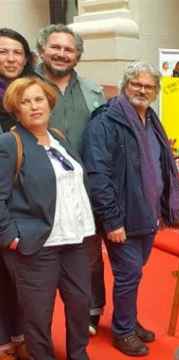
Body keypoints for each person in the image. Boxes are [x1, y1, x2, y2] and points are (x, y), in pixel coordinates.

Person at [81, 62, 179, 357]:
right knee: (128, 274)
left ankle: (127, 320)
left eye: (149, 86)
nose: (142, 90)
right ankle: (123, 332)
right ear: (126, 85)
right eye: (136, 84)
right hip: (122, 218)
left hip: (147, 214)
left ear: (156, 91)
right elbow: (98, 175)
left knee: (134, 273)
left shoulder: (151, 118)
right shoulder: (105, 122)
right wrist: (112, 221)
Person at [0, 76, 96, 360]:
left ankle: (79, 355)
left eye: (38, 99)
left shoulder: (60, 138)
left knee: (80, 305)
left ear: (49, 103)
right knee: (37, 315)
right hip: (36, 245)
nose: (33, 106)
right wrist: (10, 237)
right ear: (16, 110)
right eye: (25, 102)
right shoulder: (9, 143)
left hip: (74, 241)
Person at [35, 23, 107, 337]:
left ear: (77, 55)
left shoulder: (93, 91)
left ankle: (92, 312)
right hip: (38, 193)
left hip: (85, 190)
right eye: (56, 47)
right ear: (42, 50)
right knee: (40, 262)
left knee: (89, 257)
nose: (62, 54)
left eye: (69, 49)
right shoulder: (26, 87)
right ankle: (34, 327)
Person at [0, 28, 33, 360]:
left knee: (19, 277)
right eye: (2, 52)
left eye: (16, 52)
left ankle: (22, 336)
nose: (10, 58)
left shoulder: (32, 93)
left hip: (22, 201)